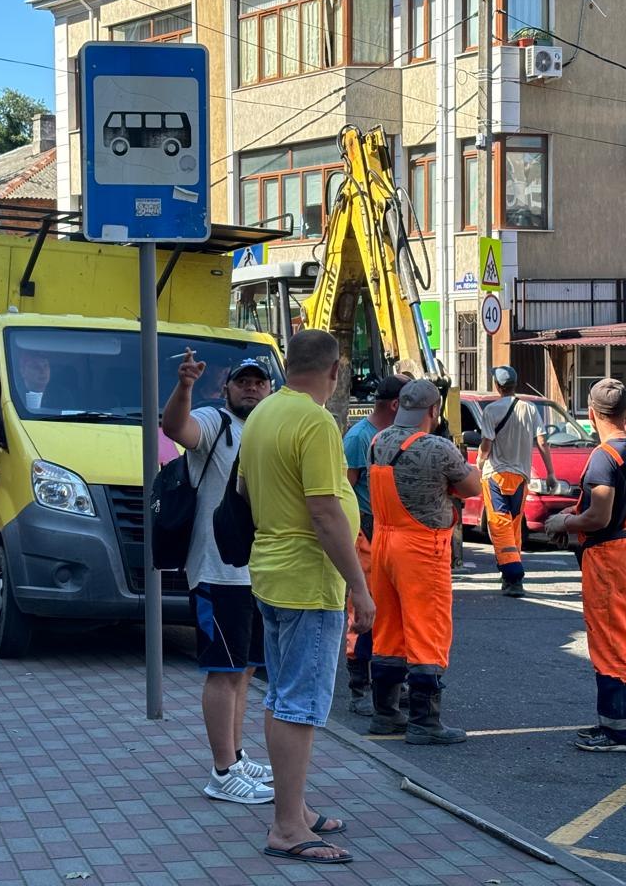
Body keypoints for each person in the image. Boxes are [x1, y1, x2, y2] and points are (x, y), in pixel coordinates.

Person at [239, 329, 374, 865]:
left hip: (271, 572)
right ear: (335, 370)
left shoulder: (264, 414)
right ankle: (287, 827)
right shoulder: (316, 422)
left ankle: (295, 808)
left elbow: (248, 491)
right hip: (308, 582)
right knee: (299, 705)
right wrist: (360, 589)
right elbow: (324, 511)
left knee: (281, 698)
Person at [161, 351, 275, 805]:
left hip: (257, 571)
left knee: (244, 669)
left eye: (258, 382)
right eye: (242, 382)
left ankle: (236, 754)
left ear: (269, 389)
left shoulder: (267, 430)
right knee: (224, 672)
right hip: (216, 570)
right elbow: (175, 429)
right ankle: (222, 771)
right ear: (226, 389)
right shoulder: (213, 422)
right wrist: (185, 386)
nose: (250, 388)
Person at [368, 380, 481, 743]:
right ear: (433, 411)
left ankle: (385, 713)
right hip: (421, 548)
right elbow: (472, 488)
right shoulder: (438, 448)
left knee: (388, 630)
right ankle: (425, 722)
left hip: (383, 542)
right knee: (427, 632)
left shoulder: (377, 441)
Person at [545, 378, 626, 753]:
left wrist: (564, 522)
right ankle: (617, 722)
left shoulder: (604, 457)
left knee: (610, 640)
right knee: (624, 634)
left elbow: (599, 516)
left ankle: (620, 732)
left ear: (591, 414)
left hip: (607, 556)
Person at [341, 374, 409, 716]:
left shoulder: (397, 436)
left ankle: (392, 682)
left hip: (388, 532)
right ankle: (359, 687)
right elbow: (345, 491)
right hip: (366, 532)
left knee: (391, 611)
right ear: (395, 405)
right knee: (363, 610)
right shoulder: (358, 439)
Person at [476, 366, 557, 597]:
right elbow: (542, 442)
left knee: (499, 524)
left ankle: (513, 573)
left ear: (497, 386)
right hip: (521, 477)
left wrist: (480, 462)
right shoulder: (530, 409)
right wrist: (550, 473)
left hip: (496, 474)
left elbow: (486, 445)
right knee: (513, 526)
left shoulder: (491, 410)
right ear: (514, 384)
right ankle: (509, 574)